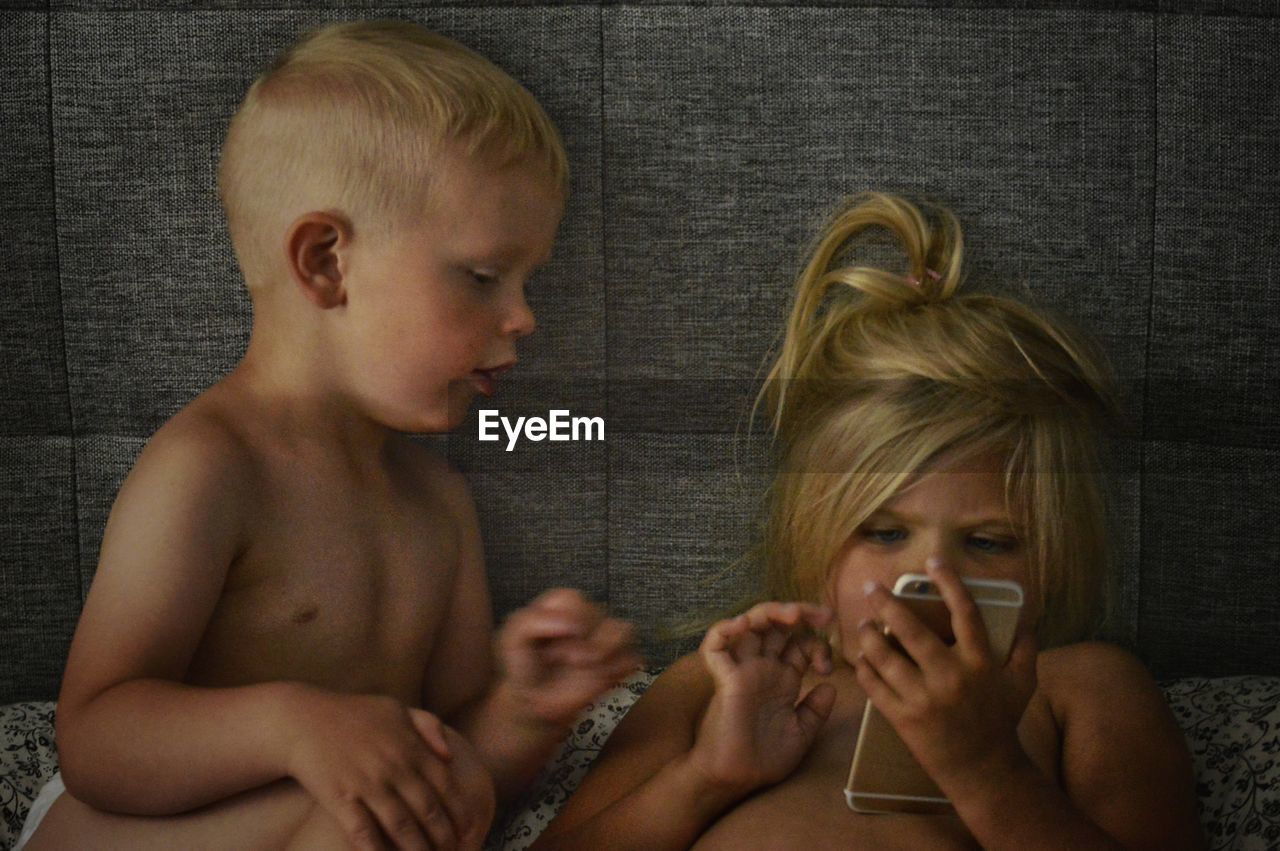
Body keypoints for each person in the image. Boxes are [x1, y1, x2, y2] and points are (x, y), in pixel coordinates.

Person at [19, 20, 639, 851]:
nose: (525, 318)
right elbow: (96, 737)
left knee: (425, 806)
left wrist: (525, 709)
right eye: (484, 277)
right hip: (119, 827)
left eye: (528, 282)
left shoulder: (436, 502)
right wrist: (293, 727)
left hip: (318, 830)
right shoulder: (208, 468)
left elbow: (455, 768)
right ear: (325, 264)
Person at [531, 192, 1204, 850]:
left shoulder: (1082, 684)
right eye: (884, 532)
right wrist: (706, 778)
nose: (931, 574)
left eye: (989, 541)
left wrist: (987, 770)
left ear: (1055, 557)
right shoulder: (718, 681)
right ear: (813, 536)